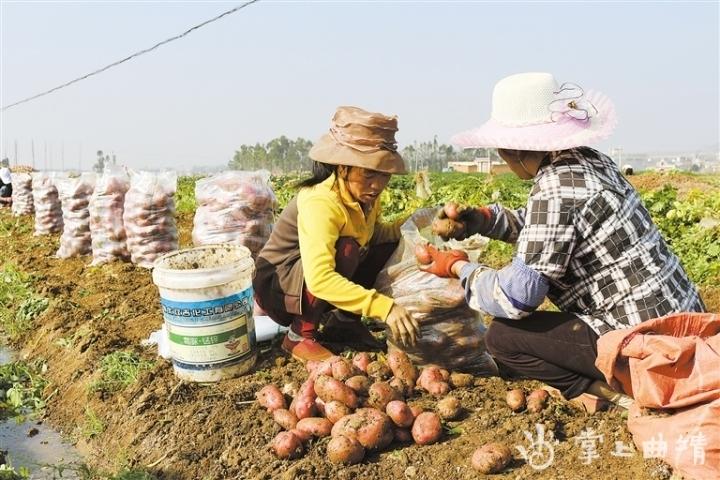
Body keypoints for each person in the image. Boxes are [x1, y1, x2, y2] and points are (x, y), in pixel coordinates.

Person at [422, 72, 706, 410]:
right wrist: (482, 219)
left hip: (651, 348)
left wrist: (458, 267)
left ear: (515, 148)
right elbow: (542, 230)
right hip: (689, 329)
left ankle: (617, 393)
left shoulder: (556, 188)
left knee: (503, 337)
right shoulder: (589, 161)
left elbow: (516, 298)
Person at [254, 106, 420, 363]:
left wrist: (418, 222)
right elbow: (319, 279)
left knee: (386, 245)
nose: (377, 185)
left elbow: (376, 236)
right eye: (368, 173)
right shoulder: (322, 202)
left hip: (306, 284)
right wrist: (384, 308)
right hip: (279, 286)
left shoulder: (365, 197)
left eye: (384, 174)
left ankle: (343, 322)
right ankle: (299, 335)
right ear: (343, 168)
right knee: (346, 250)